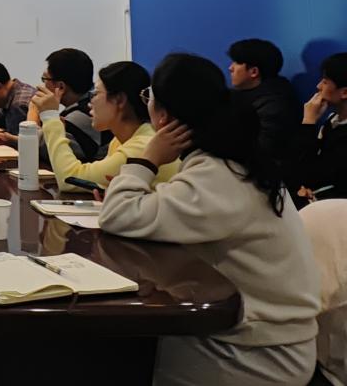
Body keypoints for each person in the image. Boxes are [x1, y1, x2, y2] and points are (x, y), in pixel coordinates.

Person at [100, 54, 320, 386]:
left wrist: (147, 160)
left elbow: (116, 215)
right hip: (261, 334)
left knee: (111, 359)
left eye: (149, 96)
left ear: (164, 117)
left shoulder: (217, 176)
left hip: (261, 354)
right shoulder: (232, 163)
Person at [34, 61, 179, 191]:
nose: (90, 103)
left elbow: (70, 179)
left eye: (96, 94)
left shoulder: (142, 146)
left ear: (119, 100)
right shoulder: (122, 140)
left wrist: (50, 117)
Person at [228, 38, 301, 166]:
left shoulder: (275, 106)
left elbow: (262, 151)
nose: (230, 68)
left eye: (237, 63)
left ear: (254, 72)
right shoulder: (241, 94)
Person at [287, 52, 347, 201]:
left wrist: (308, 121)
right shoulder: (333, 120)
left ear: (344, 92)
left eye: (325, 82)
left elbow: (313, 174)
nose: (318, 86)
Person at [32, 48, 109, 163]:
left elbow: (52, 152)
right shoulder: (82, 106)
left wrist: (33, 114)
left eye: (45, 79)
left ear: (61, 87)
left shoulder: (83, 115)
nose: (42, 85)